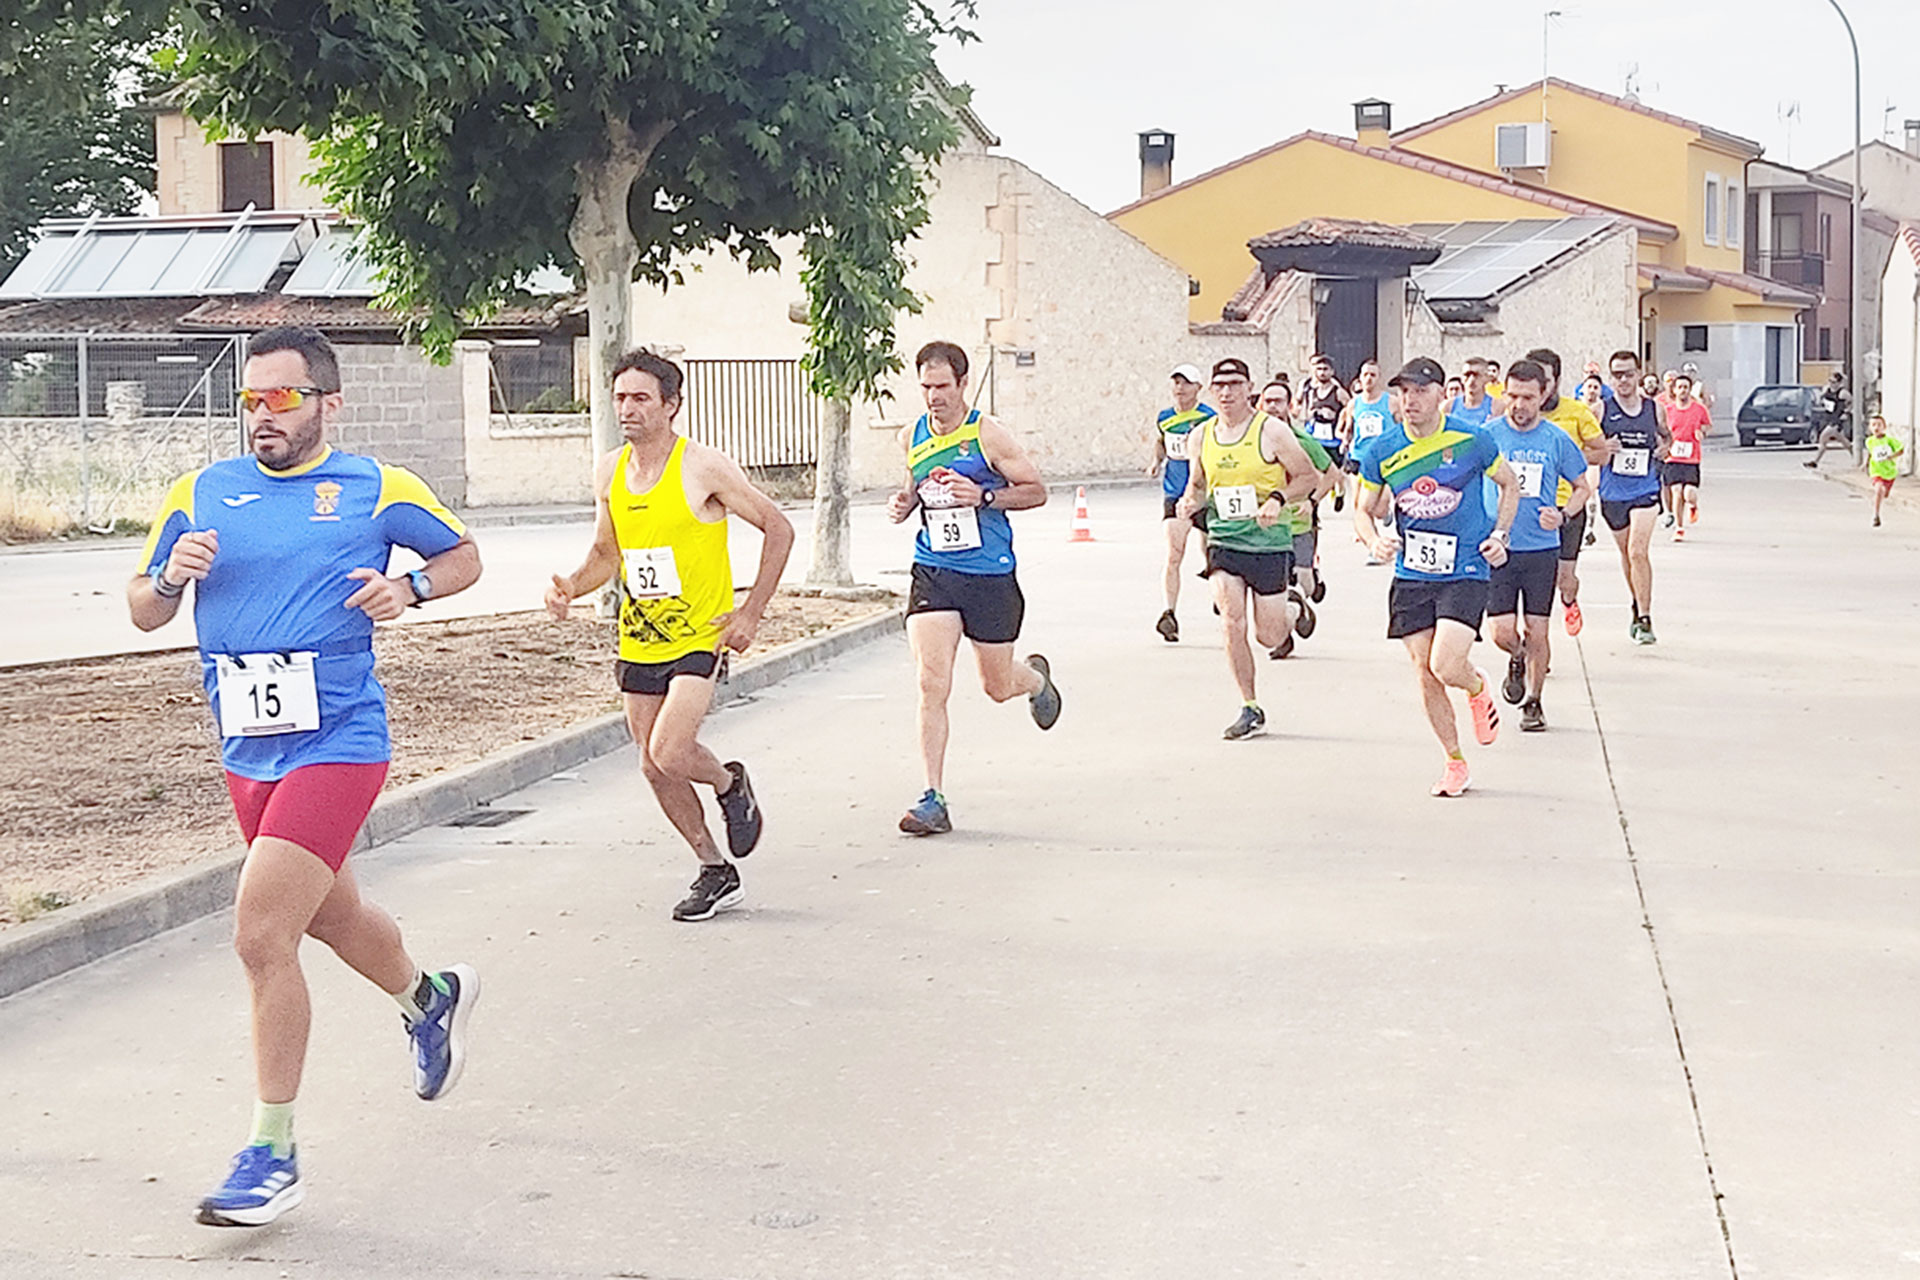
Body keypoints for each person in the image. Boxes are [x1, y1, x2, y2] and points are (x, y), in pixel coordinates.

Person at [128, 325, 484, 1227]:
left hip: (339, 739)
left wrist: (411, 591)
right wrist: (171, 576)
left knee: (260, 935)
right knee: (330, 915)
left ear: (328, 402)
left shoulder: (375, 488)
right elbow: (139, 608)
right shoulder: (202, 492)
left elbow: (462, 556)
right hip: (246, 743)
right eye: (252, 401)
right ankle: (428, 997)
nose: (263, 417)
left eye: (282, 399)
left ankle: (271, 1151)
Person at [545, 348, 794, 922]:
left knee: (670, 748)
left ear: (671, 405)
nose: (626, 409)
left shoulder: (703, 467)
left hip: (698, 637)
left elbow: (777, 528)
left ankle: (730, 783)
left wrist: (750, 613)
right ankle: (713, 868)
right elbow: (608, 553)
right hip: (640, 637)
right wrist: (569, 587)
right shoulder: (609, 470)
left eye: (640, 398)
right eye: (619, 398)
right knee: (653, 767)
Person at [886, 340, 1061, 834]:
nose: (933, 396)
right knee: (930, 681)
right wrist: (904, 506)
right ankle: (932, 797)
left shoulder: (989, 435)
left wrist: (984, 494)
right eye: (925, 387)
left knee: (995, 686)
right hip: (934, 569)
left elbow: (1037, 491)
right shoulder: (911, 436)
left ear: (963, 384)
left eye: (942, 386)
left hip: (988, 574)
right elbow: (915, 488)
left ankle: (1034, 680)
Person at [1352, 357, 1521, 796]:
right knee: (1424, 671)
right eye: (1404, 391)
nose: (1410, 400)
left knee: (1445, 665)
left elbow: (1510, 483)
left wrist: (1500, 534)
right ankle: (1454, 762)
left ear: (1442, 393)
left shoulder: (1472, 440)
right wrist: (1372, 540)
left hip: (1465, 565)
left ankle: (1476, 684)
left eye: (1421, 390)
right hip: (1413, 572)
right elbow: (1362, 509)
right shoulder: (1382, 450)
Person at [1178, 358, 1318, 736]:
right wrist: (1190, 500)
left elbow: (1308, 476)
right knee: (1231, 621)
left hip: (1269, 543)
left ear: (1249, 388)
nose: (1227, 392)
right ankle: (1249, 706)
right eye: (1220, 385)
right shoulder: (1201, 436)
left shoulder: (1271, 432)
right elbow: (1198, 483)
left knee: (1268, 636)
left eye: (1235, 384)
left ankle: (1293, 605)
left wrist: (1276, 498)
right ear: (1211, 390)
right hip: (1224, 540)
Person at [1484, 360, 1591, 732]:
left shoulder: (1556, 439)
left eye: (1528, 397)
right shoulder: (1488, 434)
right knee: (1500, 631)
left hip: (1541, 548)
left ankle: (1534, 701)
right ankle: (1517, 657)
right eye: (1512, 395)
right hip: (1499, 547)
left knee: (1539, 631)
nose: (1519, 404)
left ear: (1543, 395)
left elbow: (1583, 487)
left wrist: (1562, 515)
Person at [1526, 346, 1608, 637]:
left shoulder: (1576, 412)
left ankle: (1569, 599)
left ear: (1556, 381)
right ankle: (1535, 642)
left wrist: (1566, 458)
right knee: (1533, 584)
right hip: (1527, 510)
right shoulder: (1517, 412)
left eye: (1543, 379)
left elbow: (1602, 453)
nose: (1537, 386)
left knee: (1563, 577)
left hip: (1567, 507)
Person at [1599, 349, 1672, 643]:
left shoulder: (1654, 409)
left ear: (1639, 374)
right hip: (1613, 493)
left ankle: (1645, 617)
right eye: (1617, 375)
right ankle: (1635, 601)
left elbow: (1667, 437)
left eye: (1629, 373)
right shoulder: (1601, 410)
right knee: (1626, 555)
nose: (1623, 380)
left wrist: (1665, 448)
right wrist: (1604, 446)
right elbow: (1588, 448)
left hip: (1646, 488)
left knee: (1638, 551)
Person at [1261, 378, 1337, 638]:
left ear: (1290, 405)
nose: (1272, 407)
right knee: (1277, 588)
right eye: (1268, 401)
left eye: (1278, 401)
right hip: (1267, 527)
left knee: (1303, 581)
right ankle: (1285, 633)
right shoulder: (1252, 439)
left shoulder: (1302, 440)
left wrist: (1312, 501)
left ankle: (1303, 596)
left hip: (1299, 523)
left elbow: (1331, 474)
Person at [1149, 364, 1216, 642]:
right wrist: (1156, 461)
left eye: (1187, 383)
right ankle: (1169, 613)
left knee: (1211, 548)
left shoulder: (1208, 417)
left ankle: (1219, 589)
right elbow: (1161, 441)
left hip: (1204, 492)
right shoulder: (1165, 417)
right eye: (1176, 382)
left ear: (1198, 388)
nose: (1180, 388)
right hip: (1174, 491)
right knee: (1174, 553)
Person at [1661, 372, 1711, 538]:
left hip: (1691, 457)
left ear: (1690, 390)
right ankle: (1679, 527)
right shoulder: (1667, 410)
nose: (1683, 390)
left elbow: (1707, 426)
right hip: (1672, 457)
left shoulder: (1699, 409)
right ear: (1674, 390)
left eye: (1686, 388)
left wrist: (1701, 432)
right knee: (1676, 490)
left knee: (1688, 493)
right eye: (1680, 387)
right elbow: (1660, 430)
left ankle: (1693, 505)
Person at [1299, 353, 1351, 509]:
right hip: (1316, 437)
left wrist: (1337, 418)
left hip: (1333, 438)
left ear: (1332, 372)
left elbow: (1350, 410)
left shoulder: (1338, 392)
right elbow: (1304, 410)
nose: (1322, 372)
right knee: (1316, 471)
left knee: (1337, 473)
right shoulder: (1311, 391)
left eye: (1325, 369)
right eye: (1319, 369)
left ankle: (1339, 492)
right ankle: (1316, 500)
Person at [1805, 372, 1853, 469]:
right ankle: (1856, 457)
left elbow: (1851, 402)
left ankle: (1815, 461)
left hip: (1837, 420)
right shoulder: (1826, 389)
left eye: (1834, 382)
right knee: (1843, 441)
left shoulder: (1843, 393)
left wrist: (1846, 412)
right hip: (1829, 417)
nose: (1831, 384)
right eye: (1830, 381)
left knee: (1823, 437)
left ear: (1839, 383)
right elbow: (1822, 398)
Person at [1866, 414, 1904, 526]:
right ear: (1870, 428)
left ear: (1884, 427)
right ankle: (1876, 515)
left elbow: (1901, 450)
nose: (1876, 427)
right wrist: (1866, 464)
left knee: (1884, 494)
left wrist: (1891, 456)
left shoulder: (1890, 441)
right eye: (1873, 425)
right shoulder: (1869, 441)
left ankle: (1881, 496)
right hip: (1876, 470)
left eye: (1879, 425)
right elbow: (1870, 453)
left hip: (1889, 472)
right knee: (1879, 490)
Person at [1446, 357, 1499, 427]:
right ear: (1462, 379)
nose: (1471, 380)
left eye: (1476, 375)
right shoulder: (1448, 407)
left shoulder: (1497, 407)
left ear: (1486, 378)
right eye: (1467, 375)